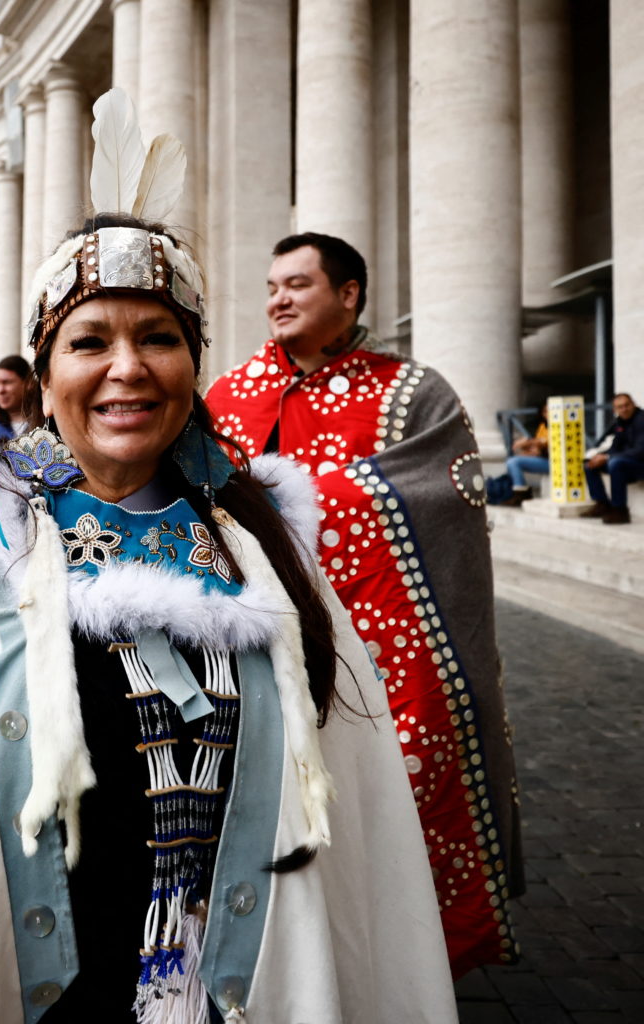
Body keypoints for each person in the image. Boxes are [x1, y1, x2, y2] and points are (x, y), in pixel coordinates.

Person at [0, 207, 455, 1021]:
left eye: (159, 338)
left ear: (194, 363)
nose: (129, 368)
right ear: (44, 375)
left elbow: (351, 801)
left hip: (225, 978)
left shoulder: (259, 545)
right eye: (89, 343)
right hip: (31, 973)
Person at [205, 230, 522, 974]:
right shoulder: (229, 393)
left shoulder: (416, 392)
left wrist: (288, 503)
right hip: (258, 645)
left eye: (298, 285)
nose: (277, 299)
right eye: (272, 285)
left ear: (348, 295)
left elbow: (446, 497)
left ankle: (400, 964)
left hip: (387, 653)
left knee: (389, 810)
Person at [583, 392, 643, 524]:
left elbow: (640, 451)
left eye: (627, 405)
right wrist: (599, 456)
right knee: (589, 464)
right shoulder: (619, 423)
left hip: (640, 464)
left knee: (615, 463)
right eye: (620, 407)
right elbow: (615, 447)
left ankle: (620, 510)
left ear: (633, 404)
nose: (624, 409)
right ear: (615, 410)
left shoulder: (641, 420)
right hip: (627, 463)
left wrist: (607, 457)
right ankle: (602, 504)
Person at [501, 421, 549, 506]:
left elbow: (543, 444)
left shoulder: (559, 424)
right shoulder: (543, 427)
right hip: (543, 459)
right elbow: (537, 450)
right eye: (545, 411)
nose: (547, 414)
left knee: (513, 461)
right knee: (512, 461)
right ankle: (519, 493)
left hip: (556, 462)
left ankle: (521, 495)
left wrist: (527, 442)